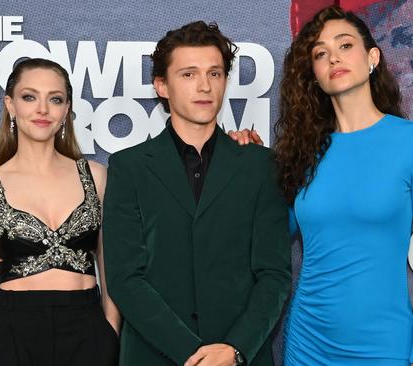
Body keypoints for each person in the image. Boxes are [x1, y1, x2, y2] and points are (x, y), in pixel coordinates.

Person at [102, 21, 292, 366]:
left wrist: (234, 349)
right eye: (188, 74)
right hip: (154, 355)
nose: (204, 86)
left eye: (215, 74)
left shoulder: (261, 165)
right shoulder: (128, 167)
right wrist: (193, 355)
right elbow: (125, 277)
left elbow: (274, 274)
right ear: (162, 86)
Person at [274, 6, 413, 366]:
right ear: (315, 75)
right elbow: (271, 234)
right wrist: (244, 161)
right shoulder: (304, 152)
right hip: (308, 344)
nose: (333, 56)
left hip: (386, 346)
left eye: (345, 45)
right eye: (320, 53)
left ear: (372, 57)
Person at [0, 58, 119, 365]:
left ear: (66, 109)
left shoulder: (96, 177)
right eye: (29, 97)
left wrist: (110, 332)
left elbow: (111, 267)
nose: (42, 109)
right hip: (14, 333)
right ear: (10, 105)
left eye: (54, 99)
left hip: (89, 331)